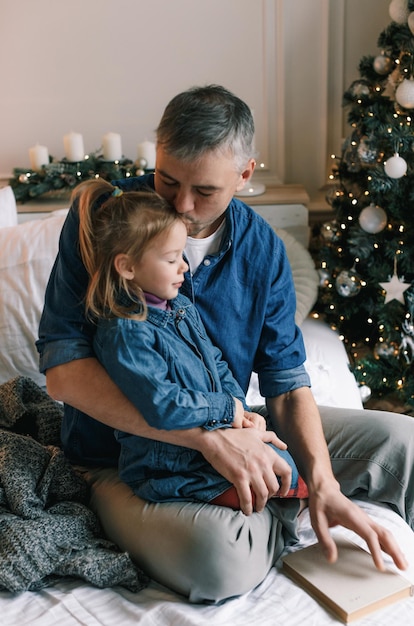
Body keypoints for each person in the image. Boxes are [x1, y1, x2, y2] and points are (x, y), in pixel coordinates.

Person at [37, 85, 412, 603]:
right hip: (123, 455)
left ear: (245, 175)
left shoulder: (263, 250)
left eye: (205, 191)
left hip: (234, 420)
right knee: (218, 560)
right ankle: (281, 506)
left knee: (404, 444)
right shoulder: (111, 223)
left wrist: (322, 479)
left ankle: (303, 494)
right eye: (167, 181)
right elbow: (63, 372)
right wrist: (206, 438)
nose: (183, 206)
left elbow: (285, 382)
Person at [75, 178, 307, 511]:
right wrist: (227, 410)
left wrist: (240, 411)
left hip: (216, 434)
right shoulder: (125, 334)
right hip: (167, 468)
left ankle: (294, 506)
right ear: (127, 266)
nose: (184, 266)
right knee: (271, 489)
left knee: (284, 466)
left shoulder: (180, 305)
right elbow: (163, 403)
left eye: (181, 255)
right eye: (171, 259)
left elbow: (217, 362)